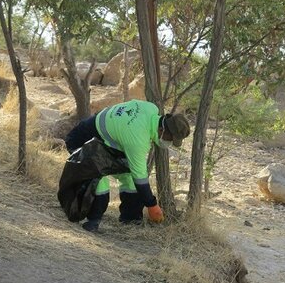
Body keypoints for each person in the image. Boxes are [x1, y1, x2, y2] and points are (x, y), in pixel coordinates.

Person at [64, 99, 191, 232]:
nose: (169, 143)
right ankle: (92, 221)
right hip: (81, 139)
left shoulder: (151, 108)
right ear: (162, 129)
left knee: (129, 177)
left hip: (105, 143)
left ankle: (131, 220)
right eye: (170, 139)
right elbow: (140, 178)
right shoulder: (138, 140)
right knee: (99, 178)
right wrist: (152, 206)